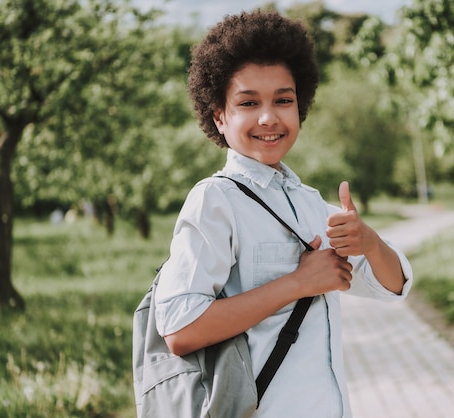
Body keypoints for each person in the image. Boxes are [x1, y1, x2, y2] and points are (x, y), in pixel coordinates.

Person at [154, 9, 413, 417]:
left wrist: (370, 241)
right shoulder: (216, 201)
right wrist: (297, 283)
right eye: (248, 102)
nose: (268, 117)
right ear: (219, 116)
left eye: (283, 100)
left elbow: (393, 286)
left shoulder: (309, 203)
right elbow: (179, 328)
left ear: (300, 106)